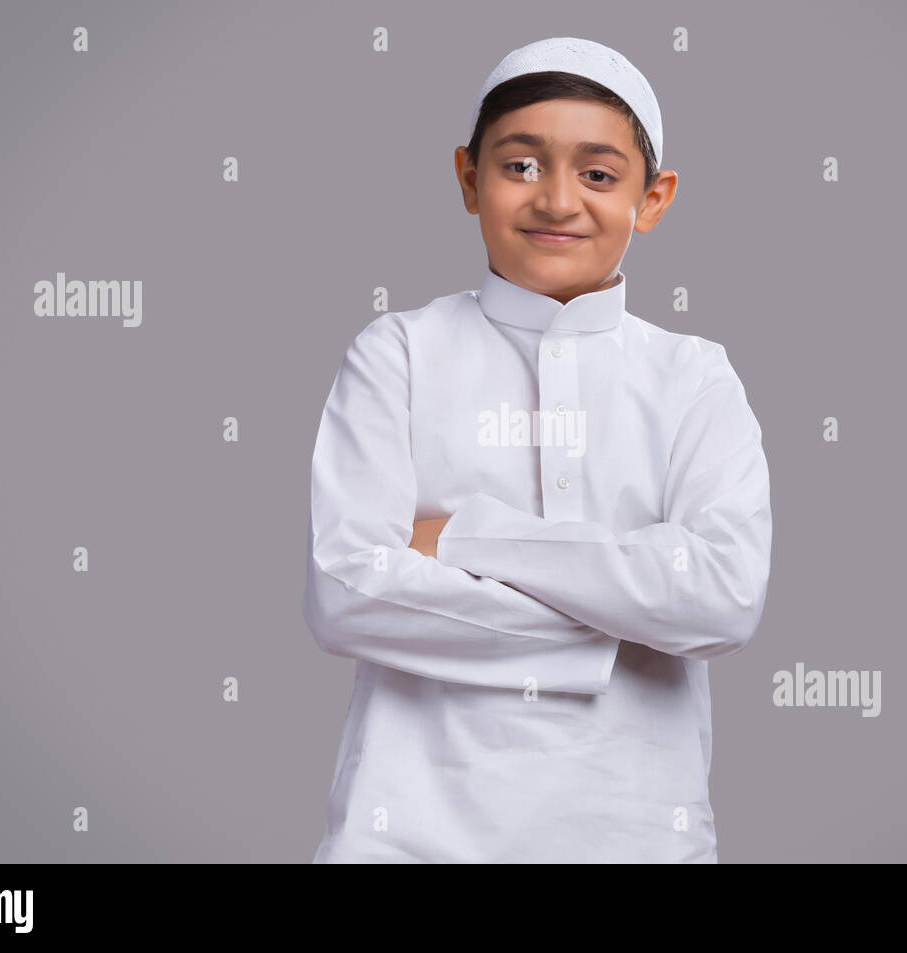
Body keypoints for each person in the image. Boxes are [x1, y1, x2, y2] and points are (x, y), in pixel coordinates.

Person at [304, 36, 772, 863]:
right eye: (521, 165)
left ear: (652, 198)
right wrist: (620, 617)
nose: (558, 200)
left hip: (641, 835)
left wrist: (456, 538)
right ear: (468, 177)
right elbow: (346, 589)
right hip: (407, 836)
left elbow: (723, 596)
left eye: (598, 174)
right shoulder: (397, 353)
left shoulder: (693, 375)